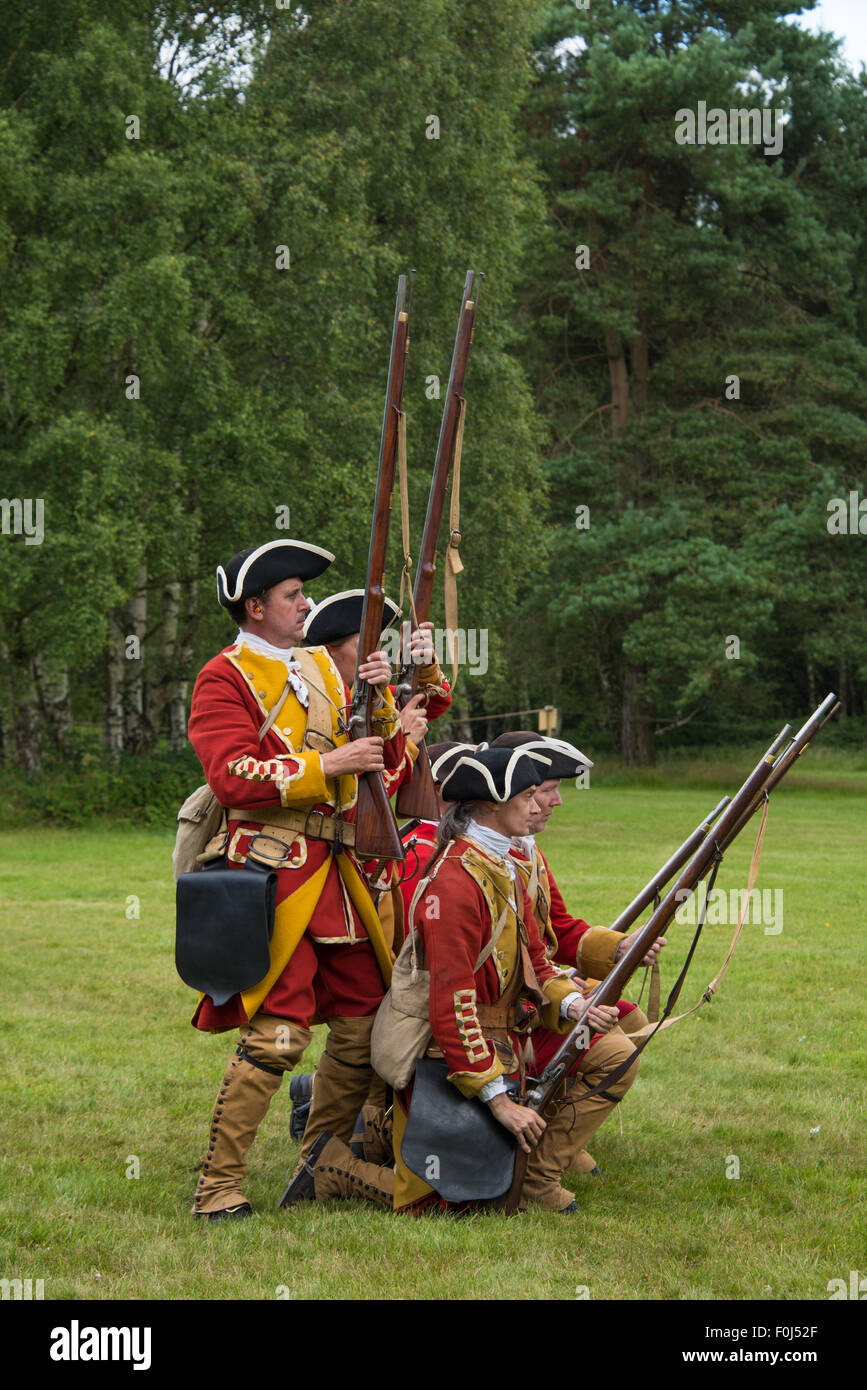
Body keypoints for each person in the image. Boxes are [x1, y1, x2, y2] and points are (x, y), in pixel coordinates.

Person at [186, 539, 408, 1220]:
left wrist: (386, 692)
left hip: (337, 874)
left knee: (366, 1023)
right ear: (254, 607)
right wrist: (326, 767)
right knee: (278, 1035)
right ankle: (217, 1186)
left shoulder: (319, 664)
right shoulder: (222, 677)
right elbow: (232, 777)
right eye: (292, 595)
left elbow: (384, 761)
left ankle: (322, 1159)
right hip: (271, 872)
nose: (306, 603)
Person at [388, 745, 631, 1215]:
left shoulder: (502, 866)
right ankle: (340, 1166)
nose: (539, 804)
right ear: (495, 804)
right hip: (450, 1059)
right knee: (447, 1204)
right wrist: (498, 1100)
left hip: (503, 1043)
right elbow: (451, 1005)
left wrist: (575, 1006)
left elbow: (538, 964)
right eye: (527, 795)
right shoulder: (456, 882)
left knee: (496, 1192)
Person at [491, 729, 666, 1178]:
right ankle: (542, 1164)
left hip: (540, 993)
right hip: (513, 1010)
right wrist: (570, 997)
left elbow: (561, 931)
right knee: (615, 1053)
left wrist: (621, 945)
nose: (555, 802)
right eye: (545, 791)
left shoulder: (527, 852)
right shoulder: (489, 857)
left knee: (632, 1022)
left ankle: (553, 1132)